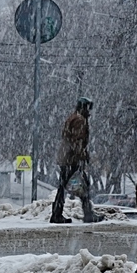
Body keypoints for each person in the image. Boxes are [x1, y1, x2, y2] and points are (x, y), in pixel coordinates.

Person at [51, 96, 102, 224]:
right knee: (74, 186)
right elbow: (77, 141)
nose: (89, 111)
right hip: (72, 159)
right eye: (88, 108)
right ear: (83, 107)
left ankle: (61, 213)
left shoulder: (73, 117)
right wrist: (82, 156)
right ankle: (86, 214)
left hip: (67, 158)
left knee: (69, 186)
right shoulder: (79, 120)